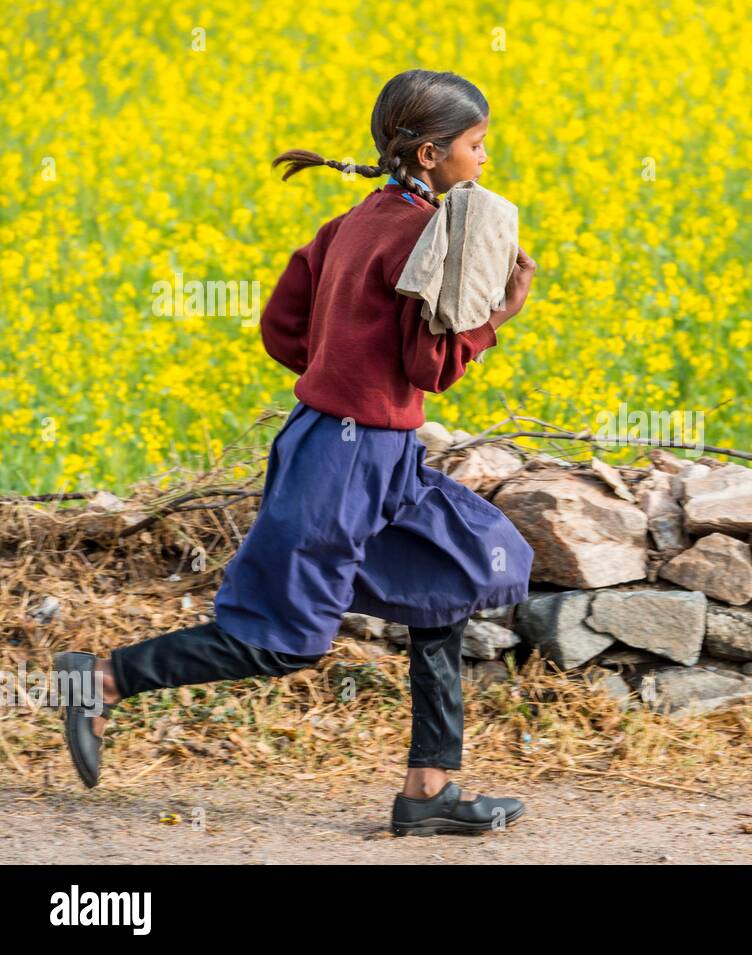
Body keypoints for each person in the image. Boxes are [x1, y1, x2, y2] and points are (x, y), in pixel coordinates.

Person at [55, 68, 538, 837]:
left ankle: (429, 787)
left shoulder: (353, 221)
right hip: (345, 465)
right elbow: (429, 369)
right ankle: (106, 678)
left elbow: (284, 325)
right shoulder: (423, 237)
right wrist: (499, 316)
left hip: (359, 452)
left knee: (456, 572)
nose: (486, 158)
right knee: (280, 638)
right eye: (476, 145)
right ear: (427, 156)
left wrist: (338, 373)